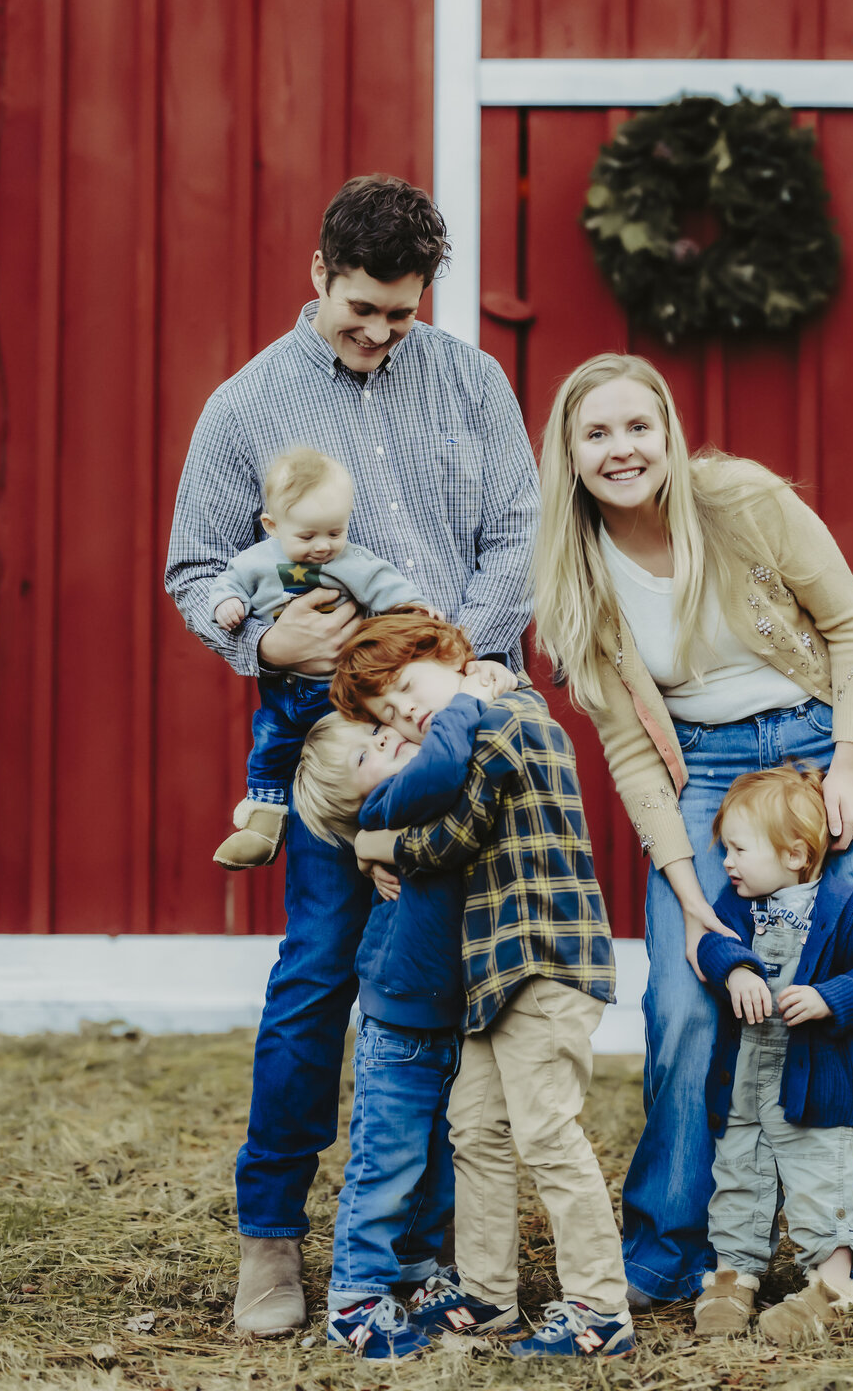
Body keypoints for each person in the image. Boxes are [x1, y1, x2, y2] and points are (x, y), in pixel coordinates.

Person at [164, 176, 539, 1336]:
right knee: (320, 975)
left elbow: (518, 539)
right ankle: (271, 1236)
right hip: (335, 746)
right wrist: (265, 640)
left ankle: (421, 1245)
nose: (378, 332)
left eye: (401, 313)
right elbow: (194, 571)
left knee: (443, 986)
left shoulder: (474, 384)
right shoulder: (246, 406)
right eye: (360, 309)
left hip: (463, 729)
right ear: (319, 274)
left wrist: (448, 671)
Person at [532, 352, 853, 1306]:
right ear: (570, 454)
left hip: (819, 739)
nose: (622, 449)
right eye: (598, 433)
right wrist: (686, 892)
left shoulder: (745, 501)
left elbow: (850, 626)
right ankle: (669, 1245)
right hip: (702, 768)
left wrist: (848, 764)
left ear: (668, 434)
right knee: (681, 1002)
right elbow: (631, 750)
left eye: (639, 427)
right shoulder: (573, 573)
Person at [331, 612, 636, 1362]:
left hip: (542, 960)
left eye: (407, 686)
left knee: (546, 1133)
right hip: (494, 972)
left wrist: (374, 839)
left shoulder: (506, 719)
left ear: (454, 654)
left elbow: (454, 835)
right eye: (386, 712)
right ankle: (488, 1292)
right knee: (475, 1129)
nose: (405, 711)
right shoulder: (476, 723)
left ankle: (600, 1307)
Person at [288, 662, 512, 1359]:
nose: (386, 739)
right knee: (385, 1164)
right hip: (400, 1025)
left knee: (436, 1159)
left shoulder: (416, 806)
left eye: (379, 733)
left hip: (449, 1018)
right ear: (359, 803)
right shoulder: (395, 805)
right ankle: (354, 1296)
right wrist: (469, 698)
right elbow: (441, 764)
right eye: (367, 753)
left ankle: (415, 1268)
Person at [693, 764, 853, 1342]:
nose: (727, 862)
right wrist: (736, 970)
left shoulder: (847, 907)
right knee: (738, 1177)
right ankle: (734, 1275)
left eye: (739, 849)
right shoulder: (737, 907)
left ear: (793, 854)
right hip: (742, 1085)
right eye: (726, 849)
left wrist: (829, 997)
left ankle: (834, 1284)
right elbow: (710, 943)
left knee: (818, 1180)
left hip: (813, 1088)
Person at [206, 445, 433, 870]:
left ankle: (371, 830)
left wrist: (412, 607)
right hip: (281, 687)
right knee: (269, 746)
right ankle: (263, 824)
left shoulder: (350, 561)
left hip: (337, 694)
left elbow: (382, 582)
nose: (324, 547)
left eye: (335, 532)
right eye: (307, 537)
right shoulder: (254, 562)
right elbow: (225, 583)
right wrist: (227, 604)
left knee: (344, 764)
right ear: (272, 526)